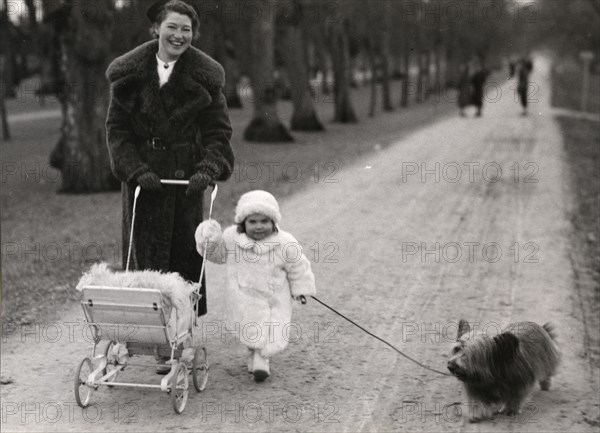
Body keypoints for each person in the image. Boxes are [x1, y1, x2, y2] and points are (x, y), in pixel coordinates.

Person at [105, 0, 234, 333]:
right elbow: (117, 131)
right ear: (156, 29)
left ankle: (181, 332)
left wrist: (207, 169)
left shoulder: (207, 77)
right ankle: (147, 330)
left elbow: (218, 133)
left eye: (186, 29)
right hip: (143, 181)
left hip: (185, 180)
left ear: (194, 33)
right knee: (144, 258)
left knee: (183, 260)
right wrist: (134, 170)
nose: (179, 35)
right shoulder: (128, 74)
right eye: (172, 27)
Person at [194, 190, 317, 382]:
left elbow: (298, 266)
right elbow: (217, 255)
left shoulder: (284, 242)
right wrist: (208, 240)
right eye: (252, 222)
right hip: (244, 296)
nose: (259, 227)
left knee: (270, 330)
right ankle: (254, 353)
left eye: (264, 221)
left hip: (274, 297)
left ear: (273, 222)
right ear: (243, 223)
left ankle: (262, 359)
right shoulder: (233, 238)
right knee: (251, 329)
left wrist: (301, 289)